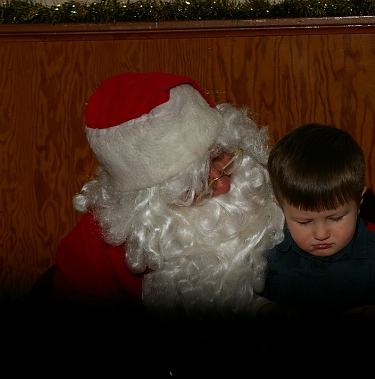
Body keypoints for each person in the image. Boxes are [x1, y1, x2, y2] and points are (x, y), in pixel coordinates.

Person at [48, 71, 285, 326]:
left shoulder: (276, 188)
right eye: (194, 184)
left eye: (219, 156)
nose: (224, 185)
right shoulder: (91, 254)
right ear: (147, 199)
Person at [258, 123, 375, 325]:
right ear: (280, 207)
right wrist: (265, 309)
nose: (321, 233)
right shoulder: (269, 254)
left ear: (359, 202)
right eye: (304, 221)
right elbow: (239, 298)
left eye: (335, 218)